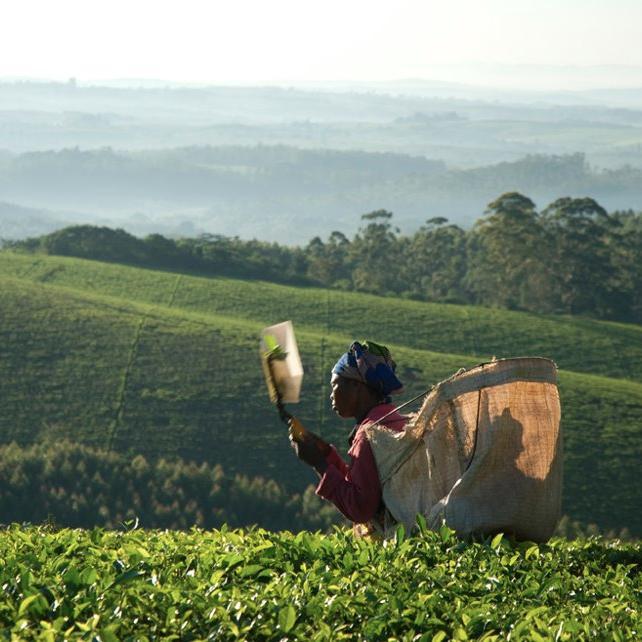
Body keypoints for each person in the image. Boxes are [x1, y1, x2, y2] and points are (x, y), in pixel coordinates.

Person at [289, 340, 408, 530]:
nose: (331, 395)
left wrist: (319, 464)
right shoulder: (395, 420)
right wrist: (327, 455)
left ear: (356, 386)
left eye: (335, 385)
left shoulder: (369, 435)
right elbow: (366, 484)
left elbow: (361, 508)